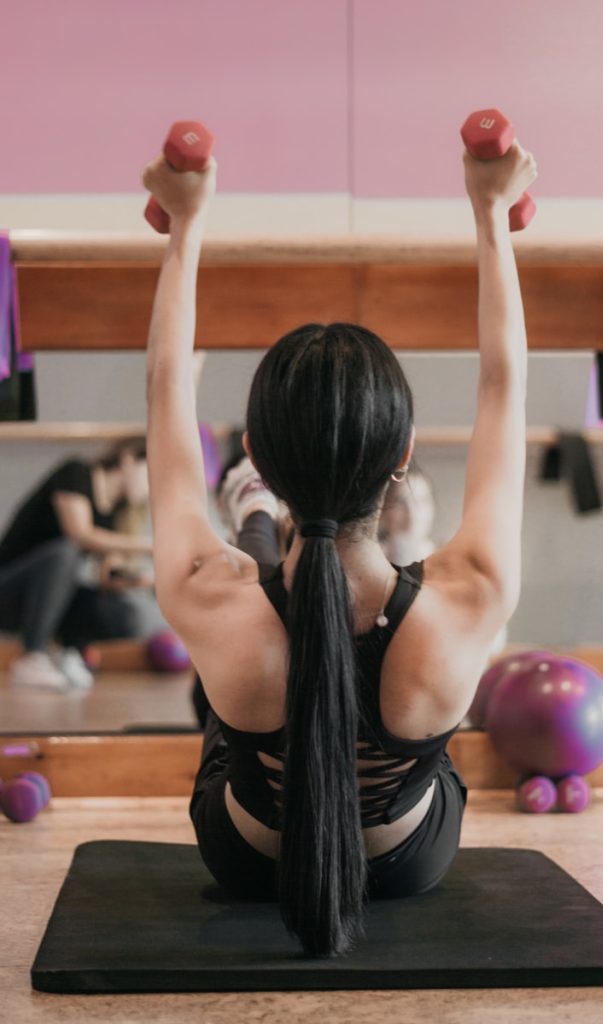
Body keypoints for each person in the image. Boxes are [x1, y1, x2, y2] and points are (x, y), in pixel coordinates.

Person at [142, 130, 535, 956]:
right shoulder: (471, 592)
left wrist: (185, 224)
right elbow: (503, 383)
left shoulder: (207, 592)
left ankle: (257, 519)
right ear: (401, 458)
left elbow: (167, 387)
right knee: (425, 754)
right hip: (405, 865)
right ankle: (261, 531)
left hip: (250, 862)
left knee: (230, 696)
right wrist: (490, 210)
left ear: (254, 447)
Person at [0, 439, 153, 691]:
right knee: (66, 552)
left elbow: (107, 578)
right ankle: (32, 656)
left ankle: (70, 653)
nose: (150, 488)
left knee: (121, 614)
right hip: (8, 591)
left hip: (46, 599)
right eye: (149, 474)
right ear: (128, 460)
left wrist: (147, 580)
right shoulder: (76, 472)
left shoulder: (112, 516)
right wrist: (147, 545)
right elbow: (79, 534)